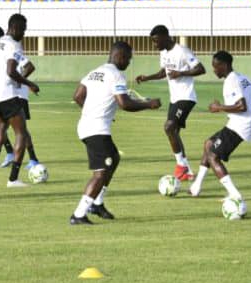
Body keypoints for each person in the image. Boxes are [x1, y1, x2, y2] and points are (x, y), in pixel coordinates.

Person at [70, 41, 162, 225]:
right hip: (96, 129)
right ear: (120, 56)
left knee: (113, 157)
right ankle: (78, 214)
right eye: (128, 58)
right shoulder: (116, 75)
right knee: (101, 173)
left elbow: (78, 96)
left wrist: (92, 111)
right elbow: (125, 103)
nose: (129, 62)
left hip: (87, 125)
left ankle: (97, 203)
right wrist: (148, 104)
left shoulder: (95, 72)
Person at [188, 51, 251, 199]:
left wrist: (219, 107)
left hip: (239, 126)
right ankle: (196, 187)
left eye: (215, 66)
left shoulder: (232, 80)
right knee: (208, 143)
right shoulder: (242, 77)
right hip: (238, 123)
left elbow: (241, 106)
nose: (214, 70)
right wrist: (248, 114)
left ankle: (235, 195)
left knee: (213, 155)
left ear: (224, 65)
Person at [136, 25, 205, 181]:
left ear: (164, 36)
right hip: (175, 98)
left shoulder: (182, 51)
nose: (154, 45)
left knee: (169, 127)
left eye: (155, 41)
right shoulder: (164, 53)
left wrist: (181, 73)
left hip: (186, 97)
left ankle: (181, 166)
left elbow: (201, 69)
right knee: (173, 132)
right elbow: (163, 72)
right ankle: (186, 170)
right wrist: (147, 78)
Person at [0, 14, 40, 187]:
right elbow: (11, 71)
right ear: (15, 28)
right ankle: (13, 178)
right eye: (23, 30)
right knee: (21, 133)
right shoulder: (14, 45)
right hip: (7, 94)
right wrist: (28, 83)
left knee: (0, 125)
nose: (24, 34)